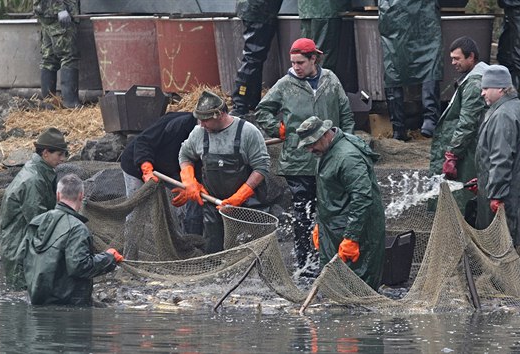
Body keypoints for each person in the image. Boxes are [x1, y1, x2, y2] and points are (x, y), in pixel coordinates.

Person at [254, 37, 354, 275]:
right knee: (303, 213)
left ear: (313, 59)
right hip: (297, 162)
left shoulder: (330, 80)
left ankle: (331, 259)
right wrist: (279, 128)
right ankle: (304, 263)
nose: (296, 66)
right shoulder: (285, 84)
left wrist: (348, 143)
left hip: (330, 158)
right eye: (293, 62)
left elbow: (346, 114)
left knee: (331, 210)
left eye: (300, 62)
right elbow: (262, 110)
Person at [297, 116, 385, 290]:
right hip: (333, 228)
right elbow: (328, 192)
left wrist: (352, 238)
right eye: (307, 145)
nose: (310, 149)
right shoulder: (326, 150)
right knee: (336, 286)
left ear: (324, 135)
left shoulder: (347, 157)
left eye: (312, 144)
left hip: (358, 232)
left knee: (358, 289)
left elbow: (362, 198)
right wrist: (319, 224)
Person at [177, 91, 270, 254]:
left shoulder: (247, 132)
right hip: (213, 204)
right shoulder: (199, 133)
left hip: (248, 204)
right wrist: (189, 181)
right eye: (199, 119)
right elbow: (185, 155)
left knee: (251, 251)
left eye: (205, 120)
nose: (201, 124)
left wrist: (238, 198)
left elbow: (261, 167)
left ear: (219, 114)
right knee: (214, 251)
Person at [470, 65, 520, 246]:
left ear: (501, 88)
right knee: (512, 242)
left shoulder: (503, 115)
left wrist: (495, 194)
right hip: (518, 192)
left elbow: (501, 158)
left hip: (505, 196)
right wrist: (482, 180)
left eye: (486, 88)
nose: (482, 94)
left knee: (499, 246)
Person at [22, 174, 122, 306]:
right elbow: (79, 266)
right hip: (69, 305)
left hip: (35, 299)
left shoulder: (36, 221)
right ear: (81, 196)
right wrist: (109, 258)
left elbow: (20, 257)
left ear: (57, 195)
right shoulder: (78, 229)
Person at [0, 127, 68, 290]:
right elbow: (39, 221)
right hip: (19, 251)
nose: (63, 159)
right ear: (45, 153)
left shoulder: (40, 172)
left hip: (25, 244)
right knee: (23, 297)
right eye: (59, 154)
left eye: (64, 154)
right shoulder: (33, 180)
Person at [429, 36, 489, 214]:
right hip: (469, 148)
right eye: (452, 59)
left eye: (457, 58)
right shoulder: (475, 77)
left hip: (468, 151)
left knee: (462, 201)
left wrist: (452, 155)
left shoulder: (474, 83)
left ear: (471, 57)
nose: (453, 63)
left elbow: (467, 123)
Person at [120, 111, 203, 235]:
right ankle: (131, 249)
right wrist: (146, 168)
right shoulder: (176, 125)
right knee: (136, 212)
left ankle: (182, 244)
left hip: (171, 170)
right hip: (136, 163)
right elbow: (143, 142)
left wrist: (192, 182)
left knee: (180, 211)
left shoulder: (213, 132)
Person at [379, 0, 443, 141]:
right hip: (425, 14)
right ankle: (430, 120)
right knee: (429, 60)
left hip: (393, 13)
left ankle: (398, 128)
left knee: (393, 66)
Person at [230, 0, 284, 117]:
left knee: (254, 58)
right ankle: (240, 104)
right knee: (253, 58)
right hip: (260, 10)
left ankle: (249, 103)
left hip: (253, 8)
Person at [34, 0, 82, 108]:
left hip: (47, 11)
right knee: (69, 55)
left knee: (49, 57)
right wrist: (60, 8)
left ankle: (49, 103)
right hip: (58, 12)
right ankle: (70, 103)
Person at [297, 0, 350, 71]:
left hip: (306, 9)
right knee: (323, 56)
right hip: (327, 8)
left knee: (307, 54)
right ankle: (322, 81)